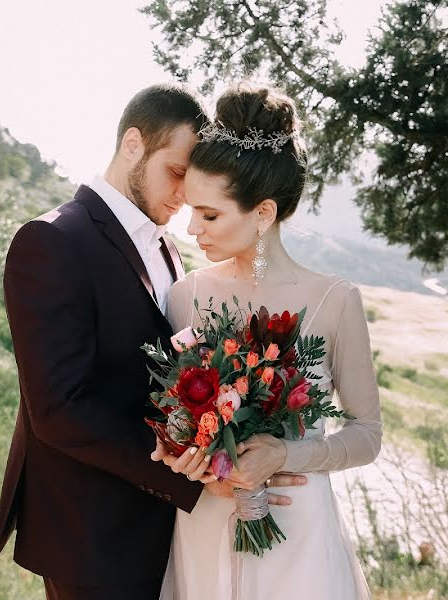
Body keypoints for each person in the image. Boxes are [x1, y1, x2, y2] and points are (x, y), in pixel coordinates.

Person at [0, 83, 299, 600]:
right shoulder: (52, 240)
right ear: (133, 143)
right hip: (90, 536)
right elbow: (58, 409)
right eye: (176, 172)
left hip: (157, 535)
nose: (183, 196)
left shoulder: (170, 252)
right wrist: (191, 478)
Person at [155, 82, 383, 599]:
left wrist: (284, 454)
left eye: (209, 215)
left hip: (296, 530)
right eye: (192, 210)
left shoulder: (335, 301)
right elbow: (170, 424)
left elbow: (367, 434)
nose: (193, 228)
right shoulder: (185, 296)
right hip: (206, 523)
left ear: (262, 213)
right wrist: (186, 460)